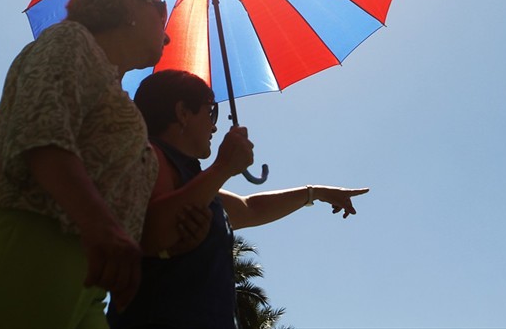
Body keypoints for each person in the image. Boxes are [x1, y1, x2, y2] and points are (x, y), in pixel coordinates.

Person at [0, 0, 173, 329]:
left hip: (88, 284)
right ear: (128, 1)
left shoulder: (119, 98)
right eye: (161, 9)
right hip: (21, 251)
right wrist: (103, 227)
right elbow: (39, 133)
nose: (167, 32)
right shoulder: (70, 40)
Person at [107, 69, 370, 329]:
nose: (214, 124)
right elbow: (152, 230)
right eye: (211, 111)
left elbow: (250, 208)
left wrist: (317, 192)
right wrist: (222, 167)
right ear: (182, 113)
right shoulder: (150, 155)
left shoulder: (191, 179)